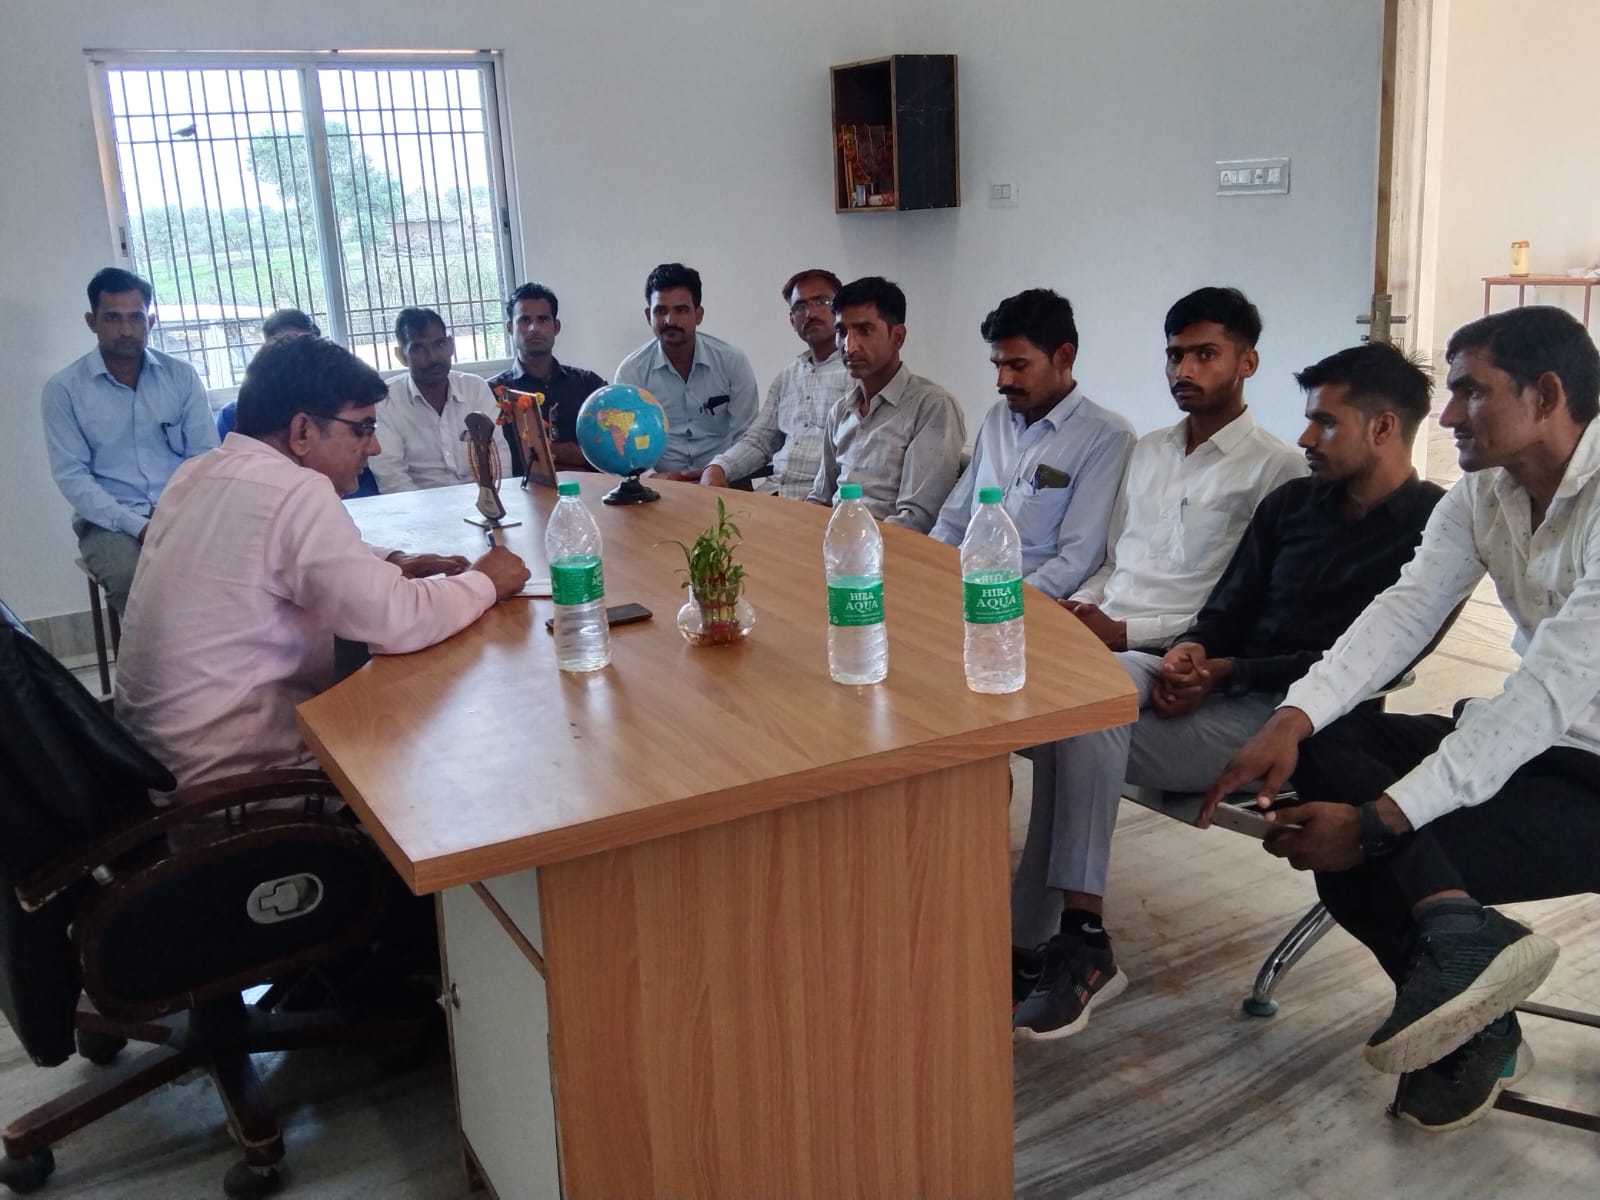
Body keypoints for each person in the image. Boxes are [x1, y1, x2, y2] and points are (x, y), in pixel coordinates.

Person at [1207, 306, 1600, 1131]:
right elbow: (1402, 612)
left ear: (1546, 395)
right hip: (1536, 746)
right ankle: (1467, 971)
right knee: (1331, 746)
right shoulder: (1484, 491)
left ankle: (1469, 1004)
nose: (1447, 414)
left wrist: (1380, 820)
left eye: (1470, 392)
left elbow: (1549, 691)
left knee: (1361, 851)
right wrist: (1292, 717)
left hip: (1586, 766)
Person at [1012, 342, 1442, 1040]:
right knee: (1085, 692)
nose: (1305, 438)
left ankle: (1057, 940)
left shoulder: (1435, 528)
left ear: (1383, 428)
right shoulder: (1293, 503)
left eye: (1325, 423)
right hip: (1216, 680)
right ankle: (1064, 940)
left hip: (1294, 719)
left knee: (1081, 727)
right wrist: (1193, 652)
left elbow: (1365, 659)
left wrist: (1229, 672)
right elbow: (1227, 607)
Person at [114, 333, 529, 791]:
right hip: (245, 791)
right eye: (362, 428)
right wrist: (485, 582)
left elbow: (285, 555)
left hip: (162, 770)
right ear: (302, 431)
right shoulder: (293, 491)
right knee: (459, 750)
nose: (374, 448)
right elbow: (395, 621)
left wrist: (395, 560)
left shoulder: (200, 472)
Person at [1060, 286, 1305, 653]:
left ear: (1248, 363)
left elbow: (1251, 605)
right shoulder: (1148, 449)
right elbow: (1113, 563)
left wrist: (1126, 633)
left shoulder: (1278, 465)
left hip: (1175, 653)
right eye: (1175, 356)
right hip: (1101, 636)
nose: (1184, 371)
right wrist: (1078, 607)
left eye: (1205, 354)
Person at [930, 288, 1135, 597]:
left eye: (1018, 365)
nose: (1002, 381)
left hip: (1023, 604)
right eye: (997, 365)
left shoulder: (1107, 437)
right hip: (957, 586)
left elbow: (1076, 561)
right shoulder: (997, 418)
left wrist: (1000, 601)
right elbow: (954, 520)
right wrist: (926, 571)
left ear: (1064, 356)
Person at [41, 267, 218, 614]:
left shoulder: (181, 376)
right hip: (109, 522)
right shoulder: (64, 390)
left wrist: (181, 516)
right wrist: (139, 527)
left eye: (136, 317)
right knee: (136, 581)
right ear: (92, 322)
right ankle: (154, 651)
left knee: (237, 565)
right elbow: (73, 478)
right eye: (113, 318)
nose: (126, 330)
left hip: (182, 510)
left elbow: (205, 457)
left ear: (150, 321)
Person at [806, 276, 966, 532]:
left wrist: (850, 541)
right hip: (835, 539)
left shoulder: (932, 407)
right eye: (842, 332)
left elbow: (916, 520)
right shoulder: (841, 411)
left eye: (865, 331)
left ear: (898, 337)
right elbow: (820, 497)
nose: (849, 346)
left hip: (888, 548)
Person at [700, 269, 850, 498]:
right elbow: (759, 441)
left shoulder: (856, 374)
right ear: (792, 321)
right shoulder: (787, 377)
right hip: (773, 494)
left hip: (823, 502)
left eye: (821, 302)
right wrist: (718, 467)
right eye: (800, 307)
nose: (810, 313)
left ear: (840, 311)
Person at [614, 263, 759, 480]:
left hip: (725, 479)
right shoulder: (631, 372)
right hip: (658, 485)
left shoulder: (732, 361)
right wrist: (652, 478)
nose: (670, 320)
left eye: (681, 310)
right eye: (660, 311)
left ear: (698, 314)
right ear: (648, 315)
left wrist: (721, 470)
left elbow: (747, 435)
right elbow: (625, 441)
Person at [369, 307, 510, 493]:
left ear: (451, 345)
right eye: (418, 348)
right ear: (401, 356)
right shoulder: (386, 401)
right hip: (419, 505)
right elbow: (392, 478)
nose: (433, 357)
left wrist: (495, 500)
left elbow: (498, 456)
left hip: (482, 501)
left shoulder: (475, 388)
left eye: (440, 344)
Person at [486, 282, 606, 473]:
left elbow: (610, 448)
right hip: (522, 491)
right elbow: (497, 459)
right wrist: (566, 452)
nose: (534, 328)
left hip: (591, 489)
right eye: (525, 320)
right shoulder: (493, 393)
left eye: (542, 320)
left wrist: (555, 451)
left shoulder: (589, 385)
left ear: (556, 327)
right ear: (510, 328)